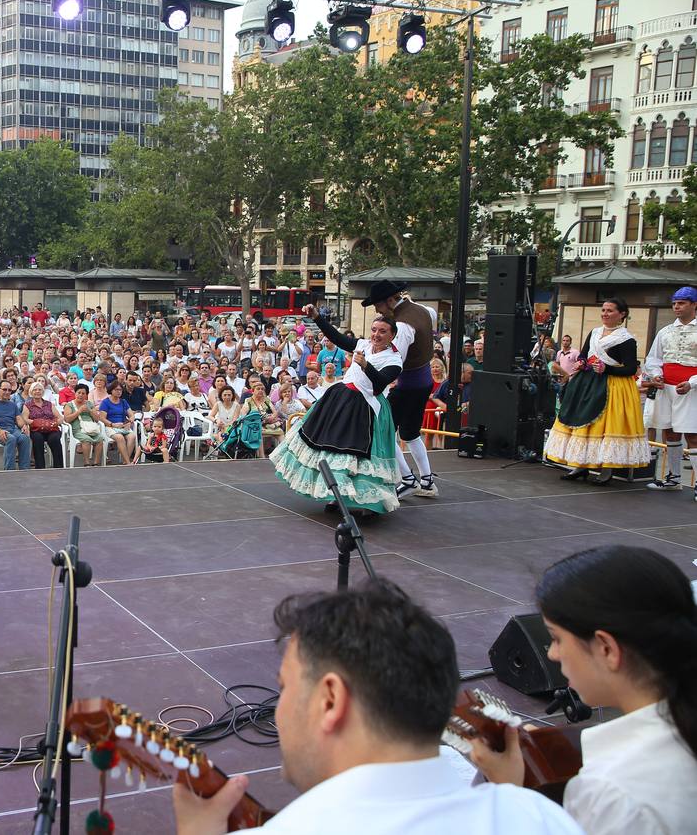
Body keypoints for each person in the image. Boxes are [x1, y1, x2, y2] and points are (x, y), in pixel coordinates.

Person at [171, 580, 583, 835]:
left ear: (330, 700)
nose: (277, 711)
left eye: (285, 688)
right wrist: (511, 796)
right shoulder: (541, 818)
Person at [468, 545, 697, 835]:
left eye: (557, 639)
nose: (552, 654)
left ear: (606, 649)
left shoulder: (612, 794)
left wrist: (510, 792)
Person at [271, 311, 404, 515]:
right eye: (374, 330)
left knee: (360, 453)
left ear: (392, 335)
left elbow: (379, 384)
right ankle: (335, 494)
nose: (376, 335)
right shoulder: (363, 345)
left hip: (366, 407)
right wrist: (317, 317)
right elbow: (337, 337)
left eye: (382, 331)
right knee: (331, 447)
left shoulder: (394, 359)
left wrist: (366, 365)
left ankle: (368, 503)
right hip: (341, 399)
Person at [547, 298, 649, 486]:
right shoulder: (594, 332)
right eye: (603, 310)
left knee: (605, 427)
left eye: (610, 310)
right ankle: (580, 465)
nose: (605, 314)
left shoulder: (626, 339)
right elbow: (584, 355)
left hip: (611, 385)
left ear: (622, 314)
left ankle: (606, 469)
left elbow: (629, 369)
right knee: (582, 422)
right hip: (587, 382)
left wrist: (607, 369)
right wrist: (581, 362)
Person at [360, 280, 440, 500]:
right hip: (423, 381)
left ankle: (408, 480)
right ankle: (427, 481)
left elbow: (395, 362)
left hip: (407, 385)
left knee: (383, 430)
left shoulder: (403, 326)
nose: (377, 310)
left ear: (389, 300)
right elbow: (432, 318)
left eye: (378, 305)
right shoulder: (423, 310)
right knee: (411, 433)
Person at [642, 287, 697, 493]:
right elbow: (653, 359)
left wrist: (692, 383)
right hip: (666, 388)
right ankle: (674, 478)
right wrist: (656, 374)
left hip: (691, 389)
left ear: (694, 304)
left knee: (693, 436)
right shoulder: (665, 331)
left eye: (681, 303)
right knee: (670, 432)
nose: (676, 307)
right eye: (674, 303)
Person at [0, 380, 32, 471]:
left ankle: (24, 469)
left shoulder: (12, 405)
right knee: (11, 439)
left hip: (12, 429)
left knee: (25, 438)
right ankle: (9, 471)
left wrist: (24, 426)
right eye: (4, 389)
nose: (7, 392)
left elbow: (19, 419)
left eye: (9, 390)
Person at [63, 384, 106, 467]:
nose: (81, 395)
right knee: (86, 439)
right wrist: (79, 411)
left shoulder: (89, 404)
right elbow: (67, 419)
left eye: (83, 393)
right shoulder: (69, 405)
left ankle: (96, 463)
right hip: (77, 429)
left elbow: (97, 419)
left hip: (91, 428)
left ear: (86, 395)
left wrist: (90, 411)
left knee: (100, 439)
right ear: (75, 393)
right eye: (79, 393)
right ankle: (87, 463)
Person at [25, 382, 64, 470]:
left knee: (54, 439)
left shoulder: (49, 404)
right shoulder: (27, 405)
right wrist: (37, 422)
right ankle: (40, 468)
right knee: (38, 439)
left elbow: (60, 417)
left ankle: (59, 467)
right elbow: (25, 419)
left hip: (51, 429)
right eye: (35, 390)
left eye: (40, 390)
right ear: (31, 392)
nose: (37, 391)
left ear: (43, 392)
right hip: (36, 429)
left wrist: (55, 423)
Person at [100, 383, 138, 465]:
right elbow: (102, 418)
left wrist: (129, 422)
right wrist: (112, 424)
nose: (119, 392)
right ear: (111, 390)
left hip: (123, 426)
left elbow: (132, 415)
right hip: (110, 426)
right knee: (120, 437)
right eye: (116, 390)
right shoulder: (105, 402)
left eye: (120, 390)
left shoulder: (123, 402)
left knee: (132, 437)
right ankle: (128, 462)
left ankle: (125, 461)